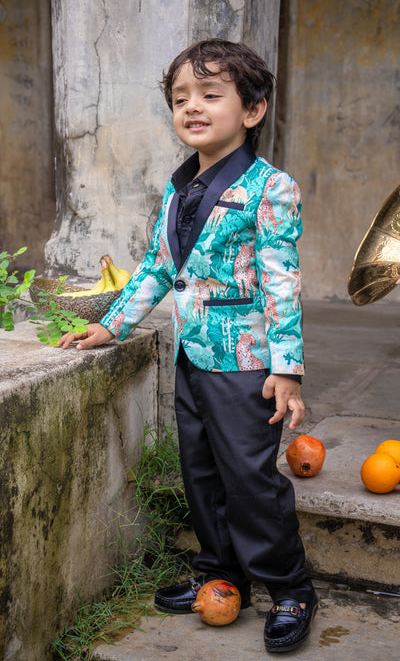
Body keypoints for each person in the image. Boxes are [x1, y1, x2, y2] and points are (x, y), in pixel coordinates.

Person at [58, 38, 318, 653]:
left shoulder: (270, 187)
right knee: (201, 473)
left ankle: (290, 589)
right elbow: (156, 266)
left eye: (210, 94)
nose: (191, 107)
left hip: (247, 363)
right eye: (181, 99)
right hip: (192, 357)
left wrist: (289, 367)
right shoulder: (178, 189)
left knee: (250, 478)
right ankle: (221, 575)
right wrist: (112, 325)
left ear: (251, 110)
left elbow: (283, 279)